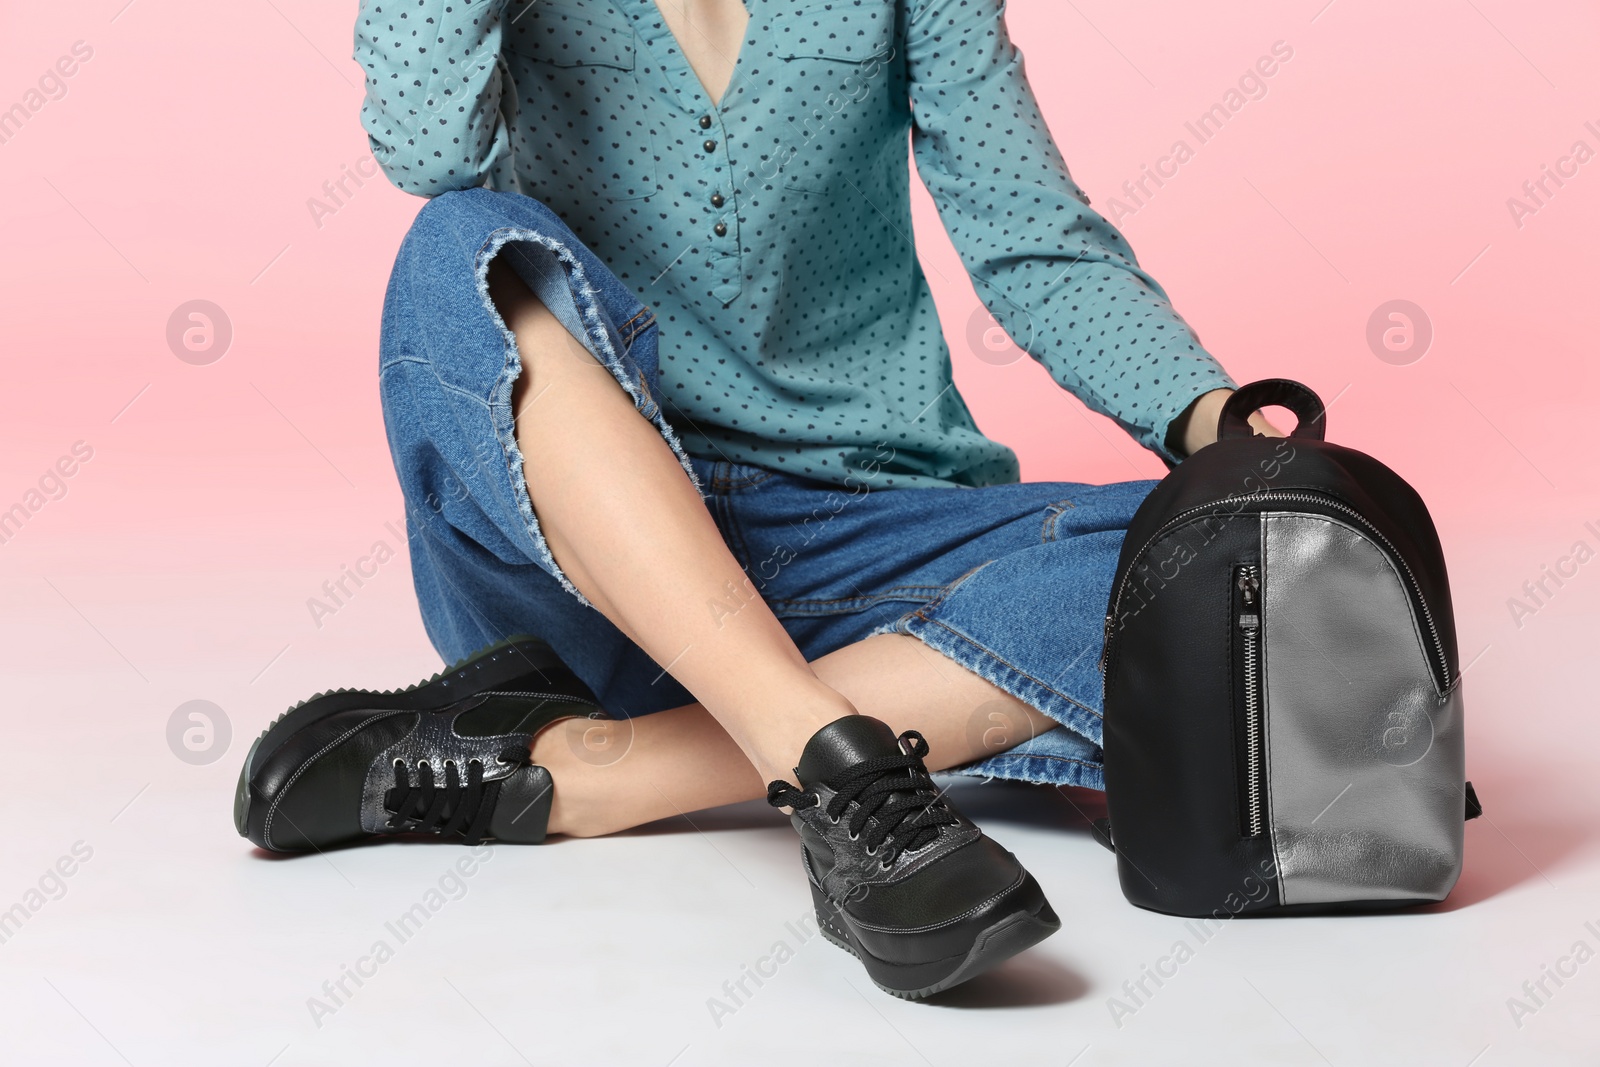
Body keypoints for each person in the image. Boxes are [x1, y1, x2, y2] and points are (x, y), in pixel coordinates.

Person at [234, 0, 1280, 998]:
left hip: (866, 530)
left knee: (1208, 551)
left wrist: (1222, 427)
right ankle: (845, 753)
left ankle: (597, 774)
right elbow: (428, 147)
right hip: (595, 560)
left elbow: (1032, 234)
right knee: (459, 245)